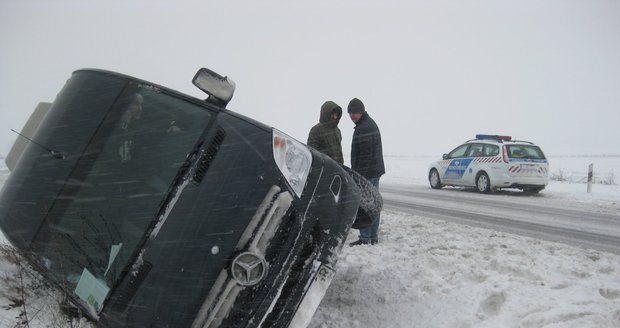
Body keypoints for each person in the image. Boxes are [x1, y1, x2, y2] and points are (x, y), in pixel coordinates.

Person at [347, 98, 385, 246]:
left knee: (366, 206)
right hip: (374, 170)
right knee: (373, 204)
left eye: (355, 112)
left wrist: (359, 176)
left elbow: (365, 155)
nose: (352, 115)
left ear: (362, 111)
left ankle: (365, 238)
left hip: (368, 173)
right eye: (350, 112)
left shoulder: (364, 128)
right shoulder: (367, 124)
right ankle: (372, 236)